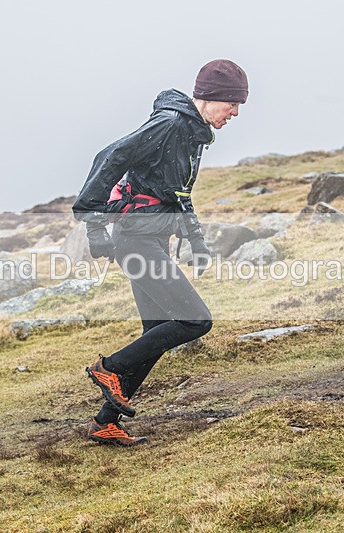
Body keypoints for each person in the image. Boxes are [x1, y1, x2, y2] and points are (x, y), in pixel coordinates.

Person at [72, 59, 249, 447]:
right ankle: (109, 367)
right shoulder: (170, 124)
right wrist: (94, 225)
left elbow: (179, 194)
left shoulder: (192, 135)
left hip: (151, 239)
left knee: (156, 331)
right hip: (136, 241)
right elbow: (110, 157)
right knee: (195, 321)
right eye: (232, 104)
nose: (235, 113)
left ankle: (105, 422)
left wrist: (197, 242)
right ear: (210, 97)